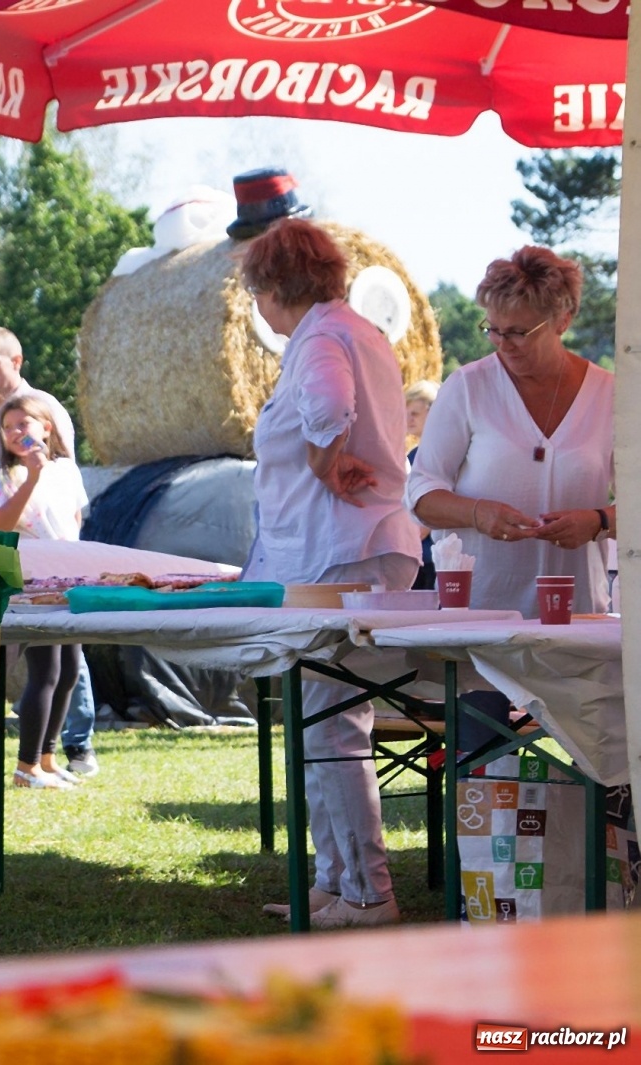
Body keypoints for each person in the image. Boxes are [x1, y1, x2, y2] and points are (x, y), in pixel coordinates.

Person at [240, 218, 421, 930]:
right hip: (352, 546)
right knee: (326, 722)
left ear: (274, 287)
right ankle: (337, 879)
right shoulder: (354, 329)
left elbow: (328, 404)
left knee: (332, 724)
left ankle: (369, 893)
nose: (256, 307)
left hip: (337, 551)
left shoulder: (317, 338)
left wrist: (324, 456)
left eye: (256, 291)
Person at [406, 247, 613, 745]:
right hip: (483, 617)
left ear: (564, 318)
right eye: (493, 329)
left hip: (576, 617)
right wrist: (478, 514)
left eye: (519, 331)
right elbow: (420, 491)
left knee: (588, 769)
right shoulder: (468, 387)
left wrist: (598, 521)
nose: (503, 344)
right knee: (479, 769)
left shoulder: (611, 394)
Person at [0, 326, 97, 778]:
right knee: (43, 670)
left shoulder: (60, 459)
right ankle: (28, 764)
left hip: (69, 576)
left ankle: (52, 755)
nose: (16, 432)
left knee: (68, 670)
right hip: (29, 576)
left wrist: (74, 556)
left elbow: (75, 517)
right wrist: (31, 479)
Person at [405, 380, 441, 590]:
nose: (408, 419)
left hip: (429, 558)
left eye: (415, 413)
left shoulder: (436, 455)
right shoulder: (413, 454)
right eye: (407, 412)